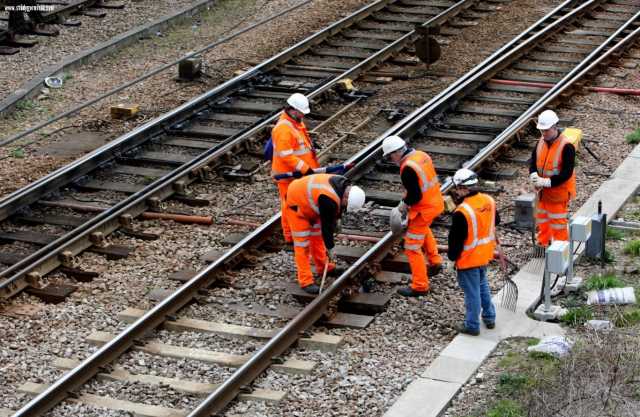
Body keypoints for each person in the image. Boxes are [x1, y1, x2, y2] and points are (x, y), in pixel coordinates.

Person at [382, 135, 444, 297]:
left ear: (396, 152)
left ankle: (420, 286)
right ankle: (435, 261)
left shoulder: (407, 168)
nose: (391, 160)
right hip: (435, 202)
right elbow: (423, 183)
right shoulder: (421, 155)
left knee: (411, 247)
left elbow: (415, 195)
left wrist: (403, 206)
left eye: (390, 156)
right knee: (423, 229)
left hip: (423, 209)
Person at [285, 174, 366, 294]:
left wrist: (336, 220)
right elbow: (327, 228)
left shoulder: (342, 185)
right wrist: (330, 247)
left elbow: (332, 216)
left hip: (313, 203)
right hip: (297, 205)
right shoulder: (328, 199)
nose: (344, 207)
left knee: (317, 239)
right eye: (345, 205)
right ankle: (305, 281)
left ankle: (325, 268)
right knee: (302, 246)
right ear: (346, 197)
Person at [448, 168, 498, 336]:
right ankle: (490, 317)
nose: (456, 191)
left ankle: (472, 325)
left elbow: (456, 241)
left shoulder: (462, 212)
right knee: (483, 286)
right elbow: (496, 220)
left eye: (457, 188)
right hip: (485, 255)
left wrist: (452, 258)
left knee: (472, 293)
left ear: (464, 188)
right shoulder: (489, 200)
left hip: (469, 259)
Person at [271, 93, 319, 243]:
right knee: (289, 205)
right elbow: (286, 156)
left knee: (294, 203)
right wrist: (305, 168)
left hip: (297, 174)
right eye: (301, 112)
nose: (303, 115)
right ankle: (290, 236)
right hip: (288, 175)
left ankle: (293, 232)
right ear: (292, 110)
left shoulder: (296, 122)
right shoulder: (283, 129)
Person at [529, 109, 576, 247]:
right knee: (543, 222)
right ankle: (542, 247)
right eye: (541, 131)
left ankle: (560, 253)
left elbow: (566, 173)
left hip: (558, 195)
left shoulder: (567, 146)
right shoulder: (540, 142)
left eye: (546, 130)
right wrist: (533, 175)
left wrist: (547, 182)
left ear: (555, 127)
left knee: (558, 225)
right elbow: (533, 162)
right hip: (543, 194)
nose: (543, 133)